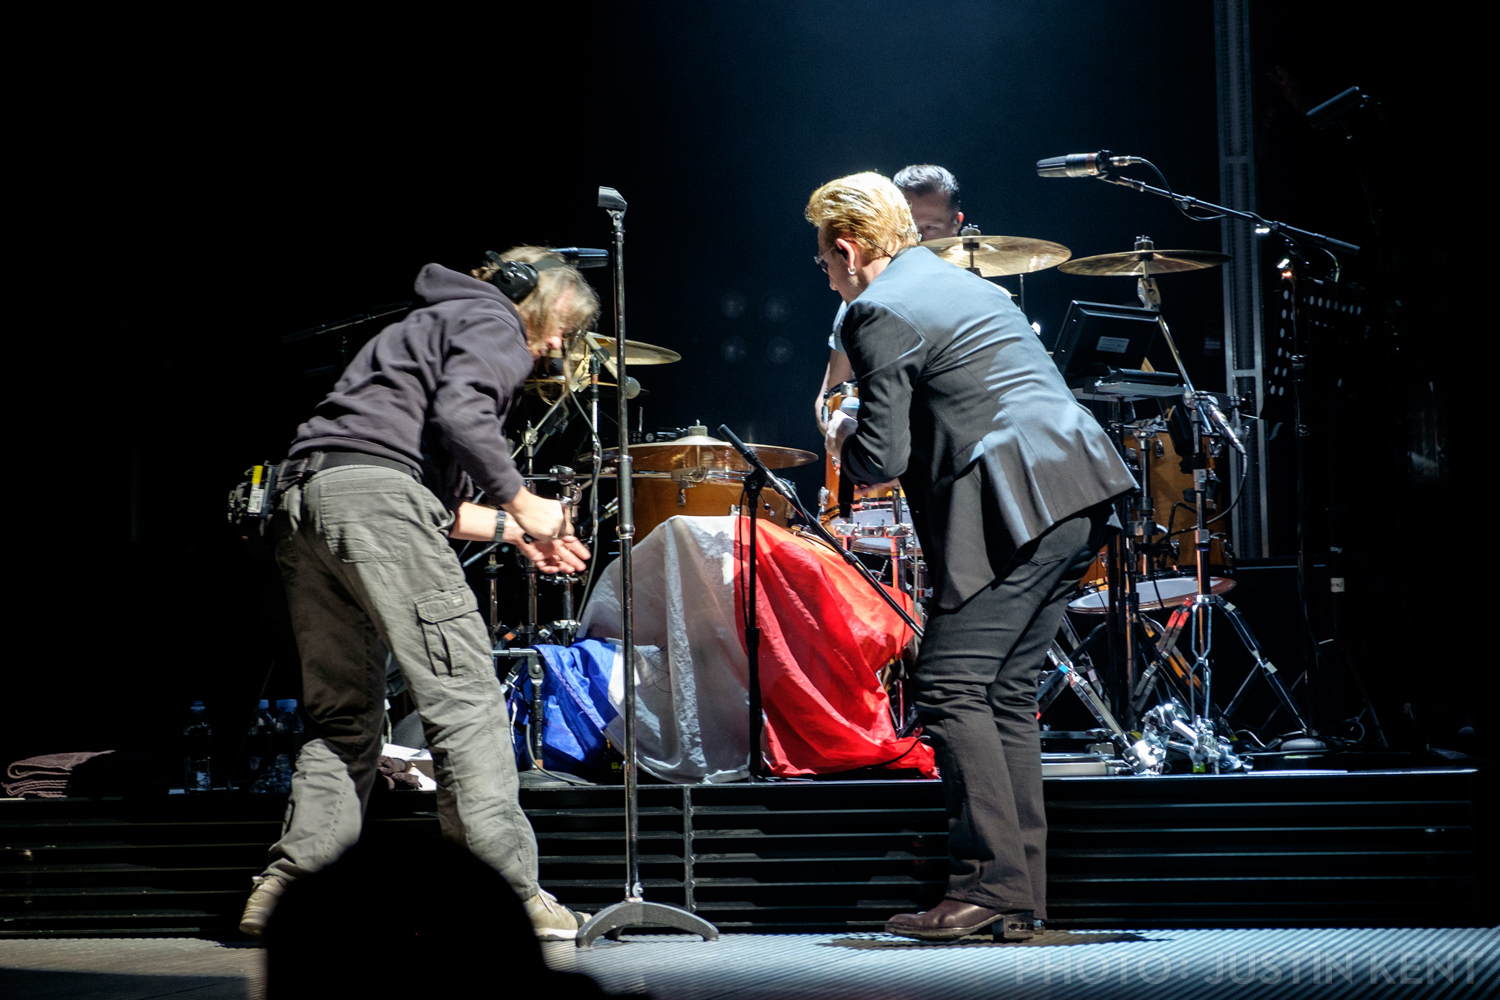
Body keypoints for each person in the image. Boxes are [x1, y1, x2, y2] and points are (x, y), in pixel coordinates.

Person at [806, 173, 1134, 941]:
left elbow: (882, 455)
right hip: (1078, 490)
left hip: (1016, 501)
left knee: (950, 684)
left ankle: (986, 885)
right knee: (1003, 695)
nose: (823, 270)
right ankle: (1017, 894)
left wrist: (843, 435)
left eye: (822, 257)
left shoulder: (874, 309)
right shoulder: (959, 282)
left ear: (849, 251)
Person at [238, 247, 597, 942]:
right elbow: (464, 420)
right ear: (531, 294)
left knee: (342, 722)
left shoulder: (421, 327)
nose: (557, 346)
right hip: (372, 504)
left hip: (306, 502)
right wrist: (524, 502)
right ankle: (513, 898)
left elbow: (412, 487)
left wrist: (509, 528)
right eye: (560, 327)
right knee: (466, 703)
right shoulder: (490, 318)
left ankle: (282, 894)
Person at [812, 164, 966, 439]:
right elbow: (831, 396)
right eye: (910, 227)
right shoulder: (861, 303)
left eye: (929, 228)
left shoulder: (877, 308)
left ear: (957, 224)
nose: (916, 240)